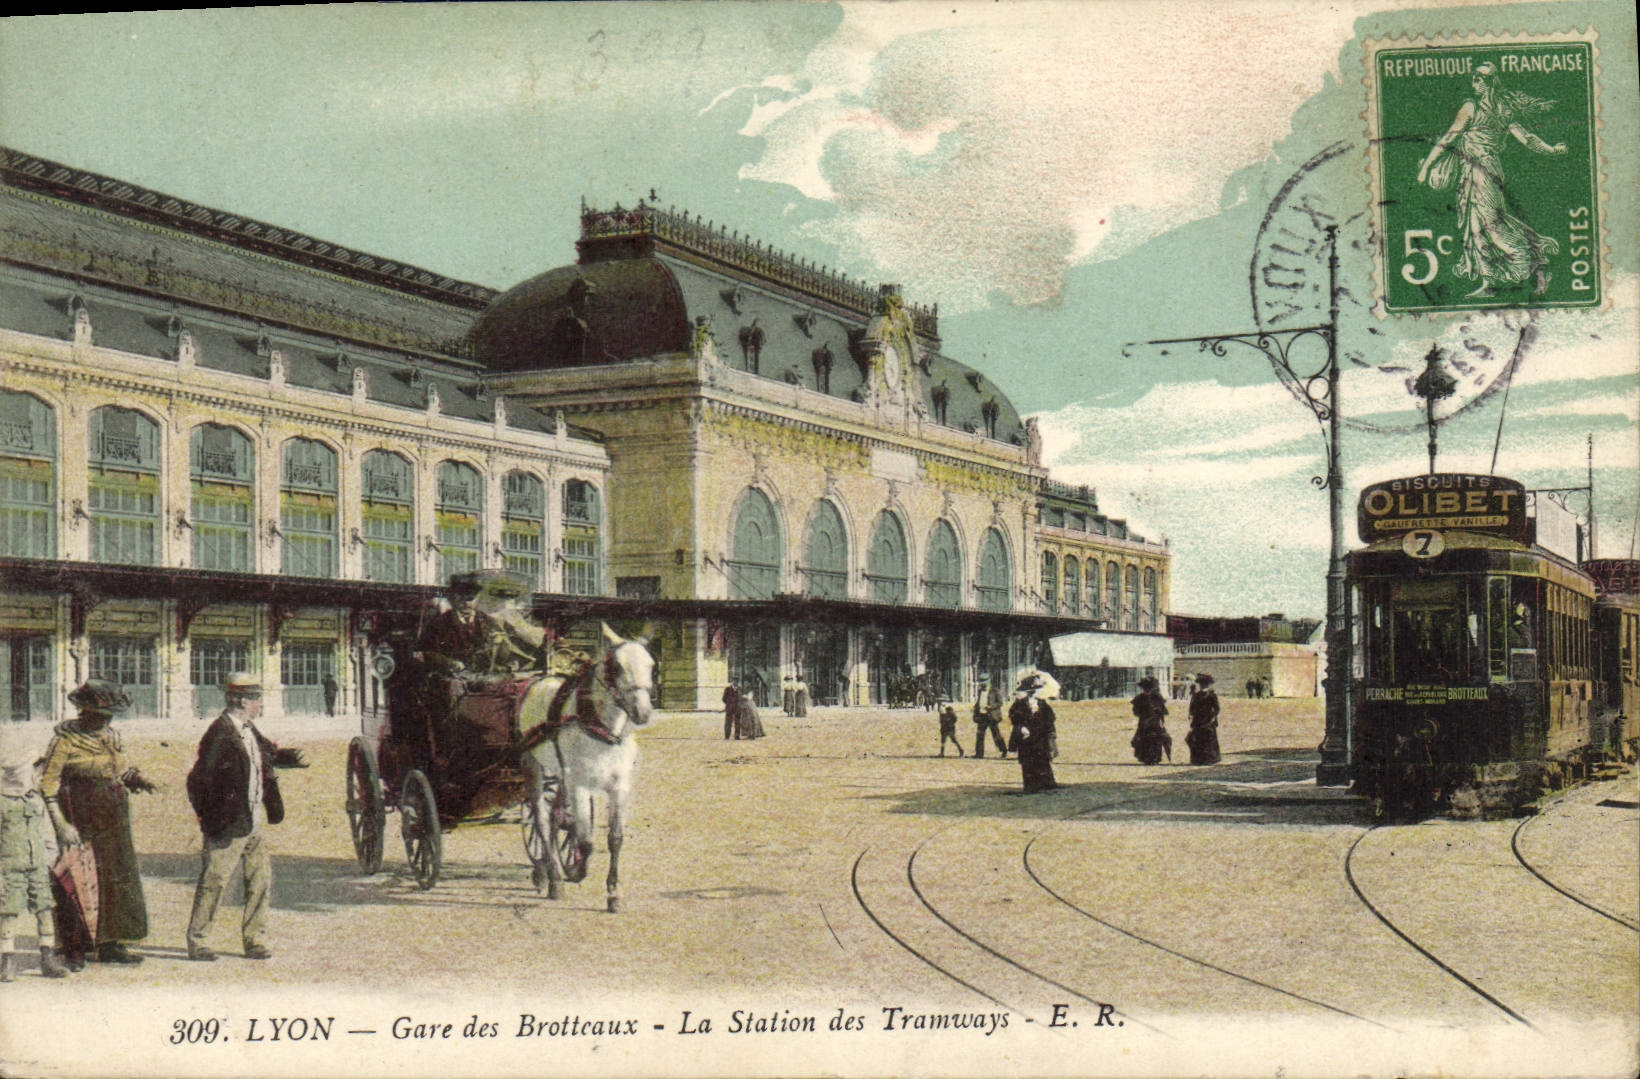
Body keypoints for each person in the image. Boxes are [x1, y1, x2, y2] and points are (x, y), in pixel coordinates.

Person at [184, 673, 308, 962]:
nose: (260, 704)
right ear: (240, 700)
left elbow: (266, 753)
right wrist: (210, 820)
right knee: (214, 881)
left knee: (260, 881)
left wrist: (291, 758)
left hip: (254, 818)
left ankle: (254, 940)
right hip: (229, 823)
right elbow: (197, 782)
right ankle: (199, 941)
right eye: (256, 698)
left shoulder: (248, 728)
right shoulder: (220, 733)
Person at [1417, 62, 1567, 298]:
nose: (1474, 83)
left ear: (1489, 83)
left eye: (1478, 79)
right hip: (1472, 170)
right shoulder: (1490, 107)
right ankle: (1490, 282)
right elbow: (1452, 136)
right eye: (1474, 78)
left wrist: (1551, 150)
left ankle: (1532, 262)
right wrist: (1551, 149)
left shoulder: (1482, 108)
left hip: (1484, 172)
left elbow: (1526, 138)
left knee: (1490, 224)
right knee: (1474, 224)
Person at [41, 679, 154, 967]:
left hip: (113, 818)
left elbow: (120, 767)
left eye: (110, 716)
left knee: (116, 878)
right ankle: (74, 948)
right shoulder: (65, 741)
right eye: (101, 715)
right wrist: (61, 825)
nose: (106, 721)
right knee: (78, 878)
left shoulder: (111, 736)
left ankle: (111, 944)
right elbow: (48, 785)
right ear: (85, 712)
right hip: (80, 816)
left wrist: (136, 779)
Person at [0, 734, 69, 980]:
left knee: (44, 910)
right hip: (9, 868)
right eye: (33, 770)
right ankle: (7, 960)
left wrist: (48, 859)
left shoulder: (36, 801)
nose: (38, 775)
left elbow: (47, 832)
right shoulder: (2, 805)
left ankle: (47, 957)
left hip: (37, 866)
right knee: (8, 913)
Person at [1008, 673, 1057, 793]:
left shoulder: (1042, 703)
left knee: (1042, 759)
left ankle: (1045, 783)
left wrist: (1049, 732)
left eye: (1034, 690)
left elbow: (1050, 718)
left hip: (1040, 737)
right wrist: (1021, 727)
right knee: (1027, 761)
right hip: (1026, 737)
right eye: (1030, 691)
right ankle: (1030, 785)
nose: (1032, 693)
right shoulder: (1019, 704)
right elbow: (1014, 717)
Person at [1129, 676, 1172, 765]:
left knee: (1149, 739)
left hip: (1147, 722)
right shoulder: (1155, 697)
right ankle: (1153, 758)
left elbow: (1136, 712)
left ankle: (1148, 758)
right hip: (1152, 722)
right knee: (1152, 739)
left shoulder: (1142, 697)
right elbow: (1163, 711)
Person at [1187, 674, 1222, 766]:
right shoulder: (1211, 695)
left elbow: (1191, 709)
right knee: (1207, 739)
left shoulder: (1199, 695)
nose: (1203, 685)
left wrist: (1191, 716)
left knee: (1201, 739)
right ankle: (1209, 759)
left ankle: (1200, 759)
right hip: (1207, 719)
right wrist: (1214, 716)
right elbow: (1217, 708)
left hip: (1201, 720)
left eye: (1204, 684)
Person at [973, 680, 1007, 758]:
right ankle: (979, 754)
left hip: (991, 716)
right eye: (981, 682)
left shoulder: (995, 691)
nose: (983, 684)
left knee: (996, 734)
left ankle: (1003, 750)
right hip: (982, 716)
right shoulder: (980, 691)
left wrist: (991, 707)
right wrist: (976, 708)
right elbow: (979, 701)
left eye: (984, 682)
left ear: (989, 682)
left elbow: (1000, 703)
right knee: (980, 735)